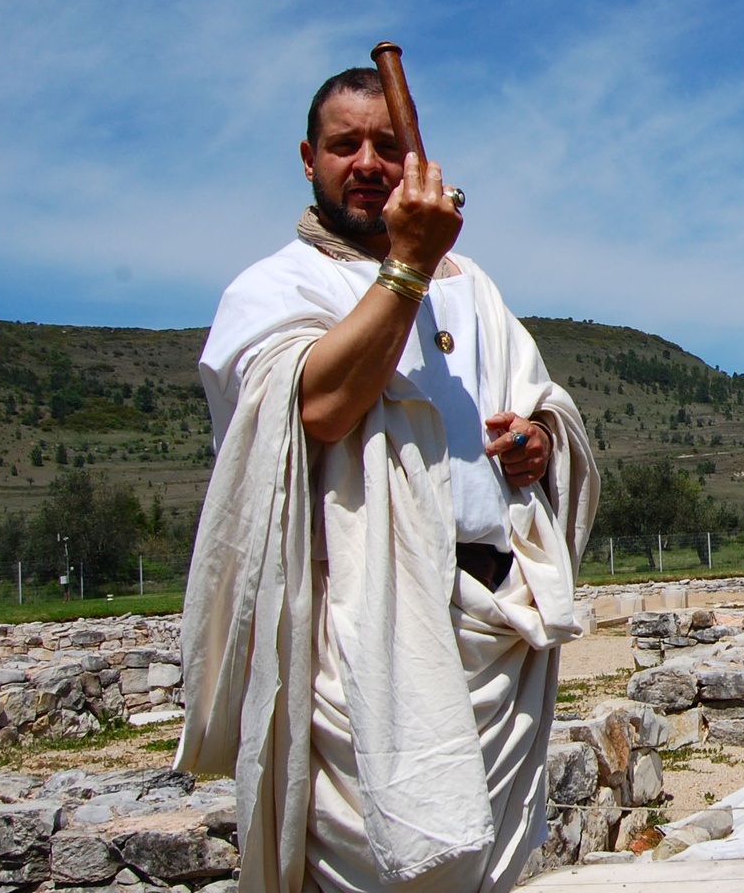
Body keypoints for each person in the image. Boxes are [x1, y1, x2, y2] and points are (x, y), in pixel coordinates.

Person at [177, 67, 598, 893]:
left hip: (493, 627)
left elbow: (539, 402)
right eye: (345, 145)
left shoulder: (471, 285)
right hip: (360, 633)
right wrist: (408, 261)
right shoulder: (276, 287)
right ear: (310, 159)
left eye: (385, 145)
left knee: (484, 871)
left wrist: (538, 444)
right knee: (389, 869)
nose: (367, 163)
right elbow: (320, 406)